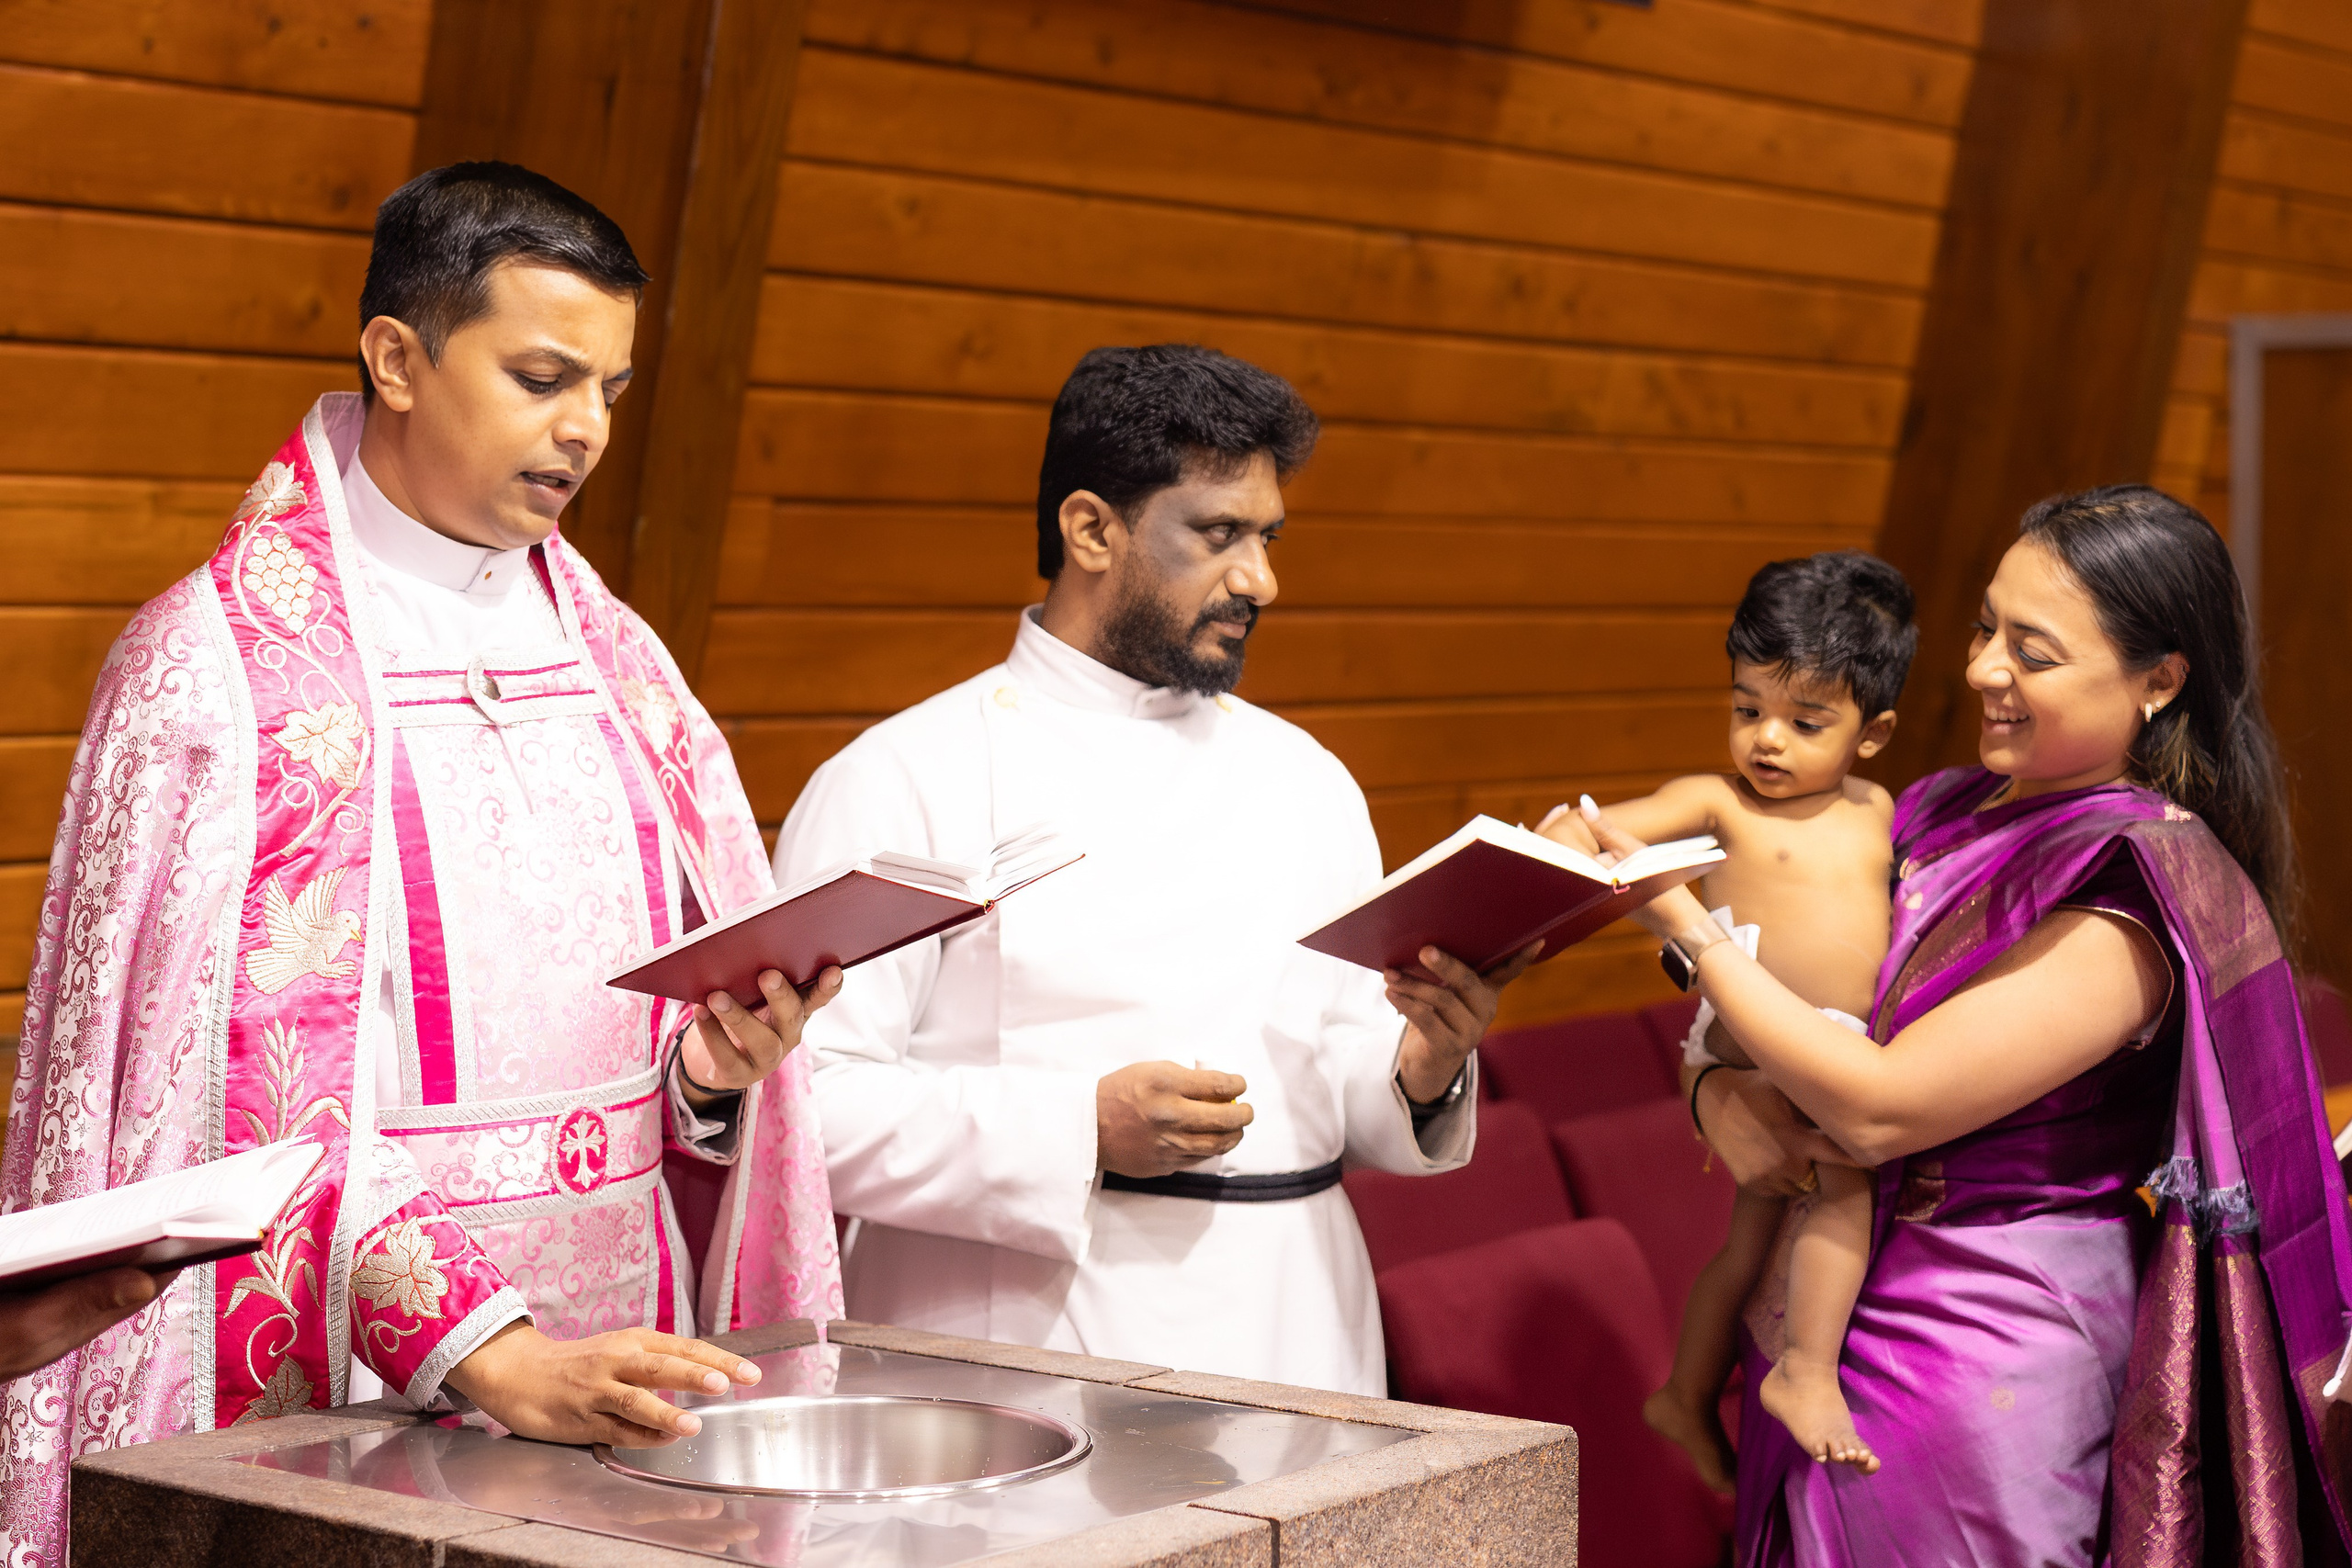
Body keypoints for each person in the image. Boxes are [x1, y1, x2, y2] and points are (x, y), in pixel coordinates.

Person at [0, 164, 842, 1561]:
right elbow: (213, 1125)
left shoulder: (623, 665)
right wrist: (486, 1349)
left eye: (613, 393)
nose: (583, 432)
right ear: (397, 355)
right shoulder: (218, 678)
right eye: (540, 376)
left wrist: (705, 1080)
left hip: (622, 1359)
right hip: (351, 1381)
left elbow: (637, 1077)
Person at [1596, 486, 2352, 1562]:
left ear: (2157, 680)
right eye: (1984, 627)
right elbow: (1804, 1011)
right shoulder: (1938, 808)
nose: (1983, 669)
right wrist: (1713, 1094)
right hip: (1816, 1299)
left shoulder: (2133, 884)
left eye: (2031, 652)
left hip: (1976, 1349)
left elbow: (1873, 1110)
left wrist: (1683, 926)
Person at [771, 344, 1535, 1393]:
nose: (1259, 579)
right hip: (1022, 1340)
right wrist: (1073, 1127)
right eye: (1217, 535)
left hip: (1295, 1316)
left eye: (1266, 537)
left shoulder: (1305, 777)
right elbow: (804, 1103)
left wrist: (1422, 1065)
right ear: (1091, 528)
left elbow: (1338, 1075)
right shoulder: (908, 775)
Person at [1542, 551, 1914, 1491]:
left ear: (1873, 735)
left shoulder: (1880, 810)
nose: (1767, 742)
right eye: (1748, 709)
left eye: (1805, 720)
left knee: (1749, 1240)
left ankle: (1685, 1392)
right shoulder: (1720, 803)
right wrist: (1564, 835)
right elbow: (1597, 829)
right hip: (1754, 1033)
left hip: (1827, 1039)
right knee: (1845, 1184)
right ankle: (1804, 1371)